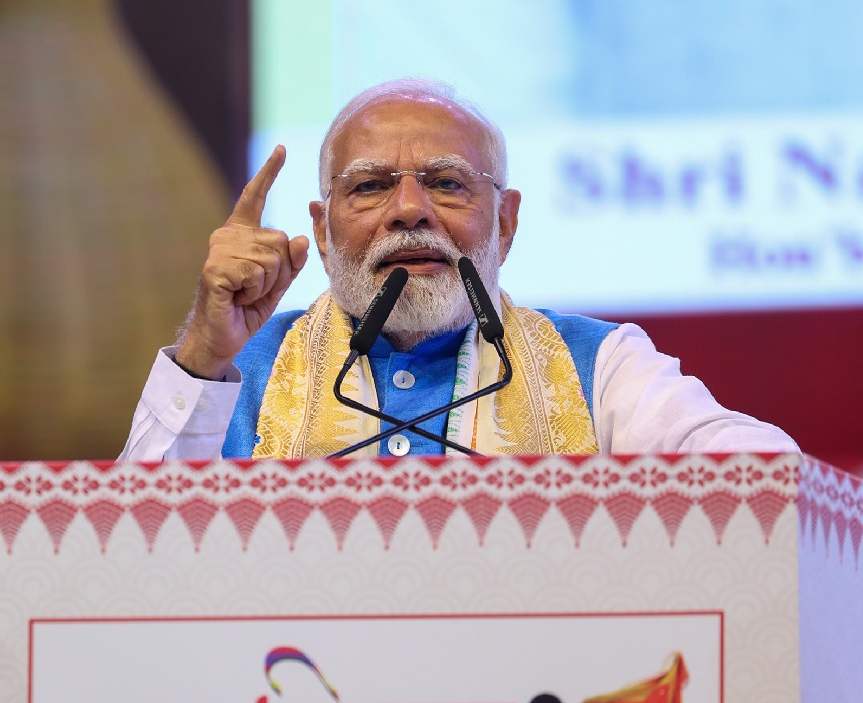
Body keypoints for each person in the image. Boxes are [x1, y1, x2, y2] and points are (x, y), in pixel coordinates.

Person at [120, 79, 796, 461]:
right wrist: (204, 355)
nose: (410, 210)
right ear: (321, 231)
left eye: (446, 183)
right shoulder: (240, 371)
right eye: (369, 186)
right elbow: (125, 555)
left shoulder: (602, 368)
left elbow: (765, 480)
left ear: (503, 222)